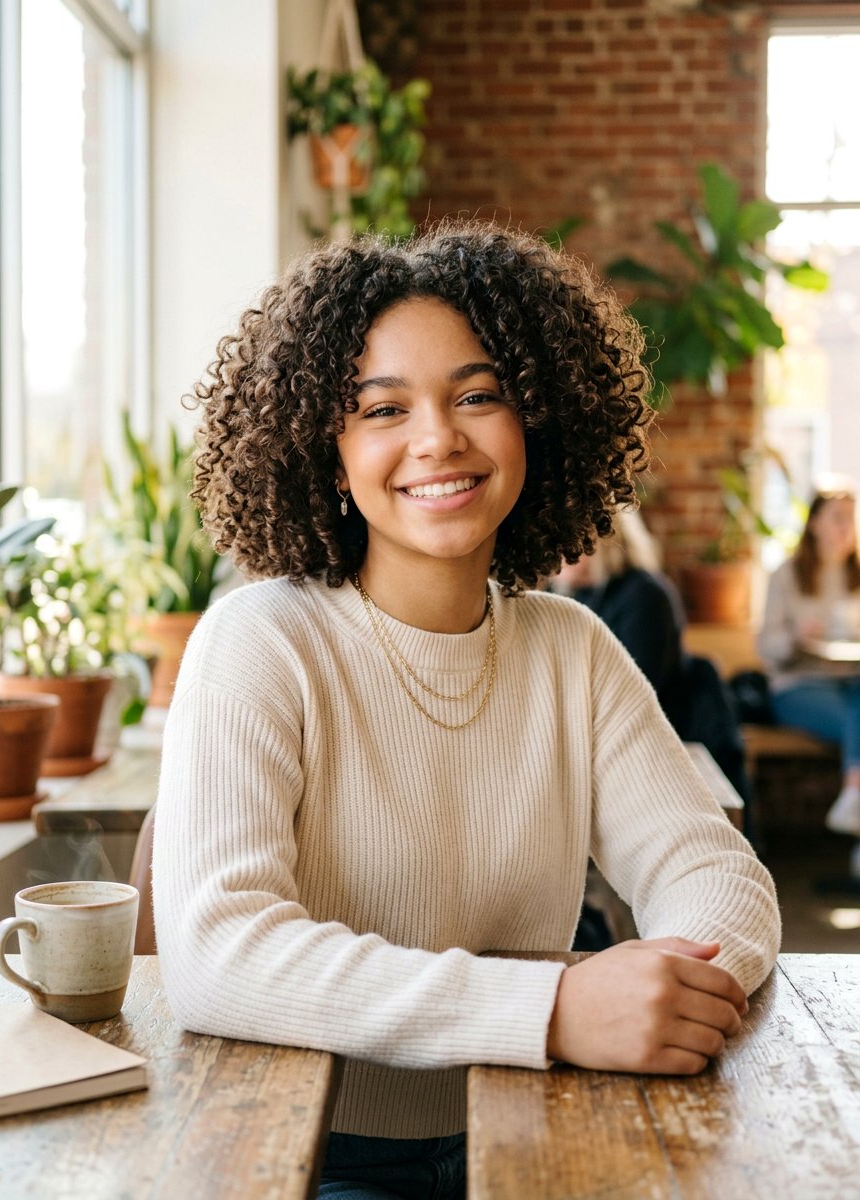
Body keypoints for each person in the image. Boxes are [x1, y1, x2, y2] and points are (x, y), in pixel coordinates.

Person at [152, 221, 781, 1199]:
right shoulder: (260, 642)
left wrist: (670, 988)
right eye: (382, 408)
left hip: (538, 1113)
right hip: (309, 1146)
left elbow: (718, 878)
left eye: (478, 395)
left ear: (537, 420)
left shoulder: (571, 650)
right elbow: (219, 954)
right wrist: (554, 1007)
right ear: (329, 452)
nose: (438, 438)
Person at [550, 511, 752, 810]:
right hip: (607, 738)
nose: (552, 550)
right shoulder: (572, 595)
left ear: (600, 541)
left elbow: (632, 694)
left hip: (662, 740)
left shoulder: (644, 595)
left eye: (564, 538)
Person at [758, 478, 860, 871]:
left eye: (850, 519)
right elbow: (767, 648)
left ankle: (854, 799)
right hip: (797, 685)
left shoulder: (856, 575)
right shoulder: (786, 576)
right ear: (814, 523)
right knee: (856, 714)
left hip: (850, 680)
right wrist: (796, 638)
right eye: (837, 518)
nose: (845, 528)